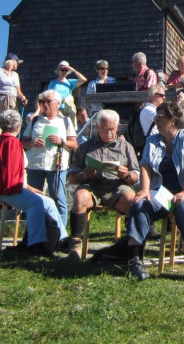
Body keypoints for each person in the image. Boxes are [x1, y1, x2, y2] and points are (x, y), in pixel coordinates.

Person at [126, 100, 184, 285]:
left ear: (173, 120)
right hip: (163, 192)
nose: (156, 119)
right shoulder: (153, 139)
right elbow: (146, 166)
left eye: (160, 116)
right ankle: (135, 260)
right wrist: (145, 190)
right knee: (140, 204)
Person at [0, 109, 67, 254]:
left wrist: (29, 188)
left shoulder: (5, 141)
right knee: (35, 203)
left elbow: (13, 173)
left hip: (8, 185)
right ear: (18, 126)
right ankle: (35, 243)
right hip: (5, 188)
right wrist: (25, 188)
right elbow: (11, 174)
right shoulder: (12, 142)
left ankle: (62, 240)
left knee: (49, 202)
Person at [66, 109, 140, 261]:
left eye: (112, 129)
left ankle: (129, 244)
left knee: (132, 200)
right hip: (93, 186)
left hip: (118, 187)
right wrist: (84, 175)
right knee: (80, 197)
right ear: (97, 126)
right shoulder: (86, 147)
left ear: (118, 127)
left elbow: (136, 177)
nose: (108, 132)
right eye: (104, 129)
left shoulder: (126, 147)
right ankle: (75, 244)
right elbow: (72, 178)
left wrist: (126, 174)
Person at [21, 90, 77, 225]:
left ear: (58, 103)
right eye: (42, 102)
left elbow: (74, 144)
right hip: (35, 164)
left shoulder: (65, 121)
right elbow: (23, 142)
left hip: (56, 166)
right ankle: (34, 234)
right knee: (33, 199)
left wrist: (61, 142)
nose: (45, 105)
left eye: (48, 101)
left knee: (58, 200)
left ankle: (60, 235)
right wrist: (32, 143)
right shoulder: (35, 120)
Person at [0, 55, 28, 160]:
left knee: (11, 125)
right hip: (0, 99)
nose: (18, 64)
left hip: (12, 101)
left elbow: (18, 91)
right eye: (16, 62)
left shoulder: (15, 75)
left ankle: (6, 151)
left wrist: (22, 97)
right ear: (11, 61)